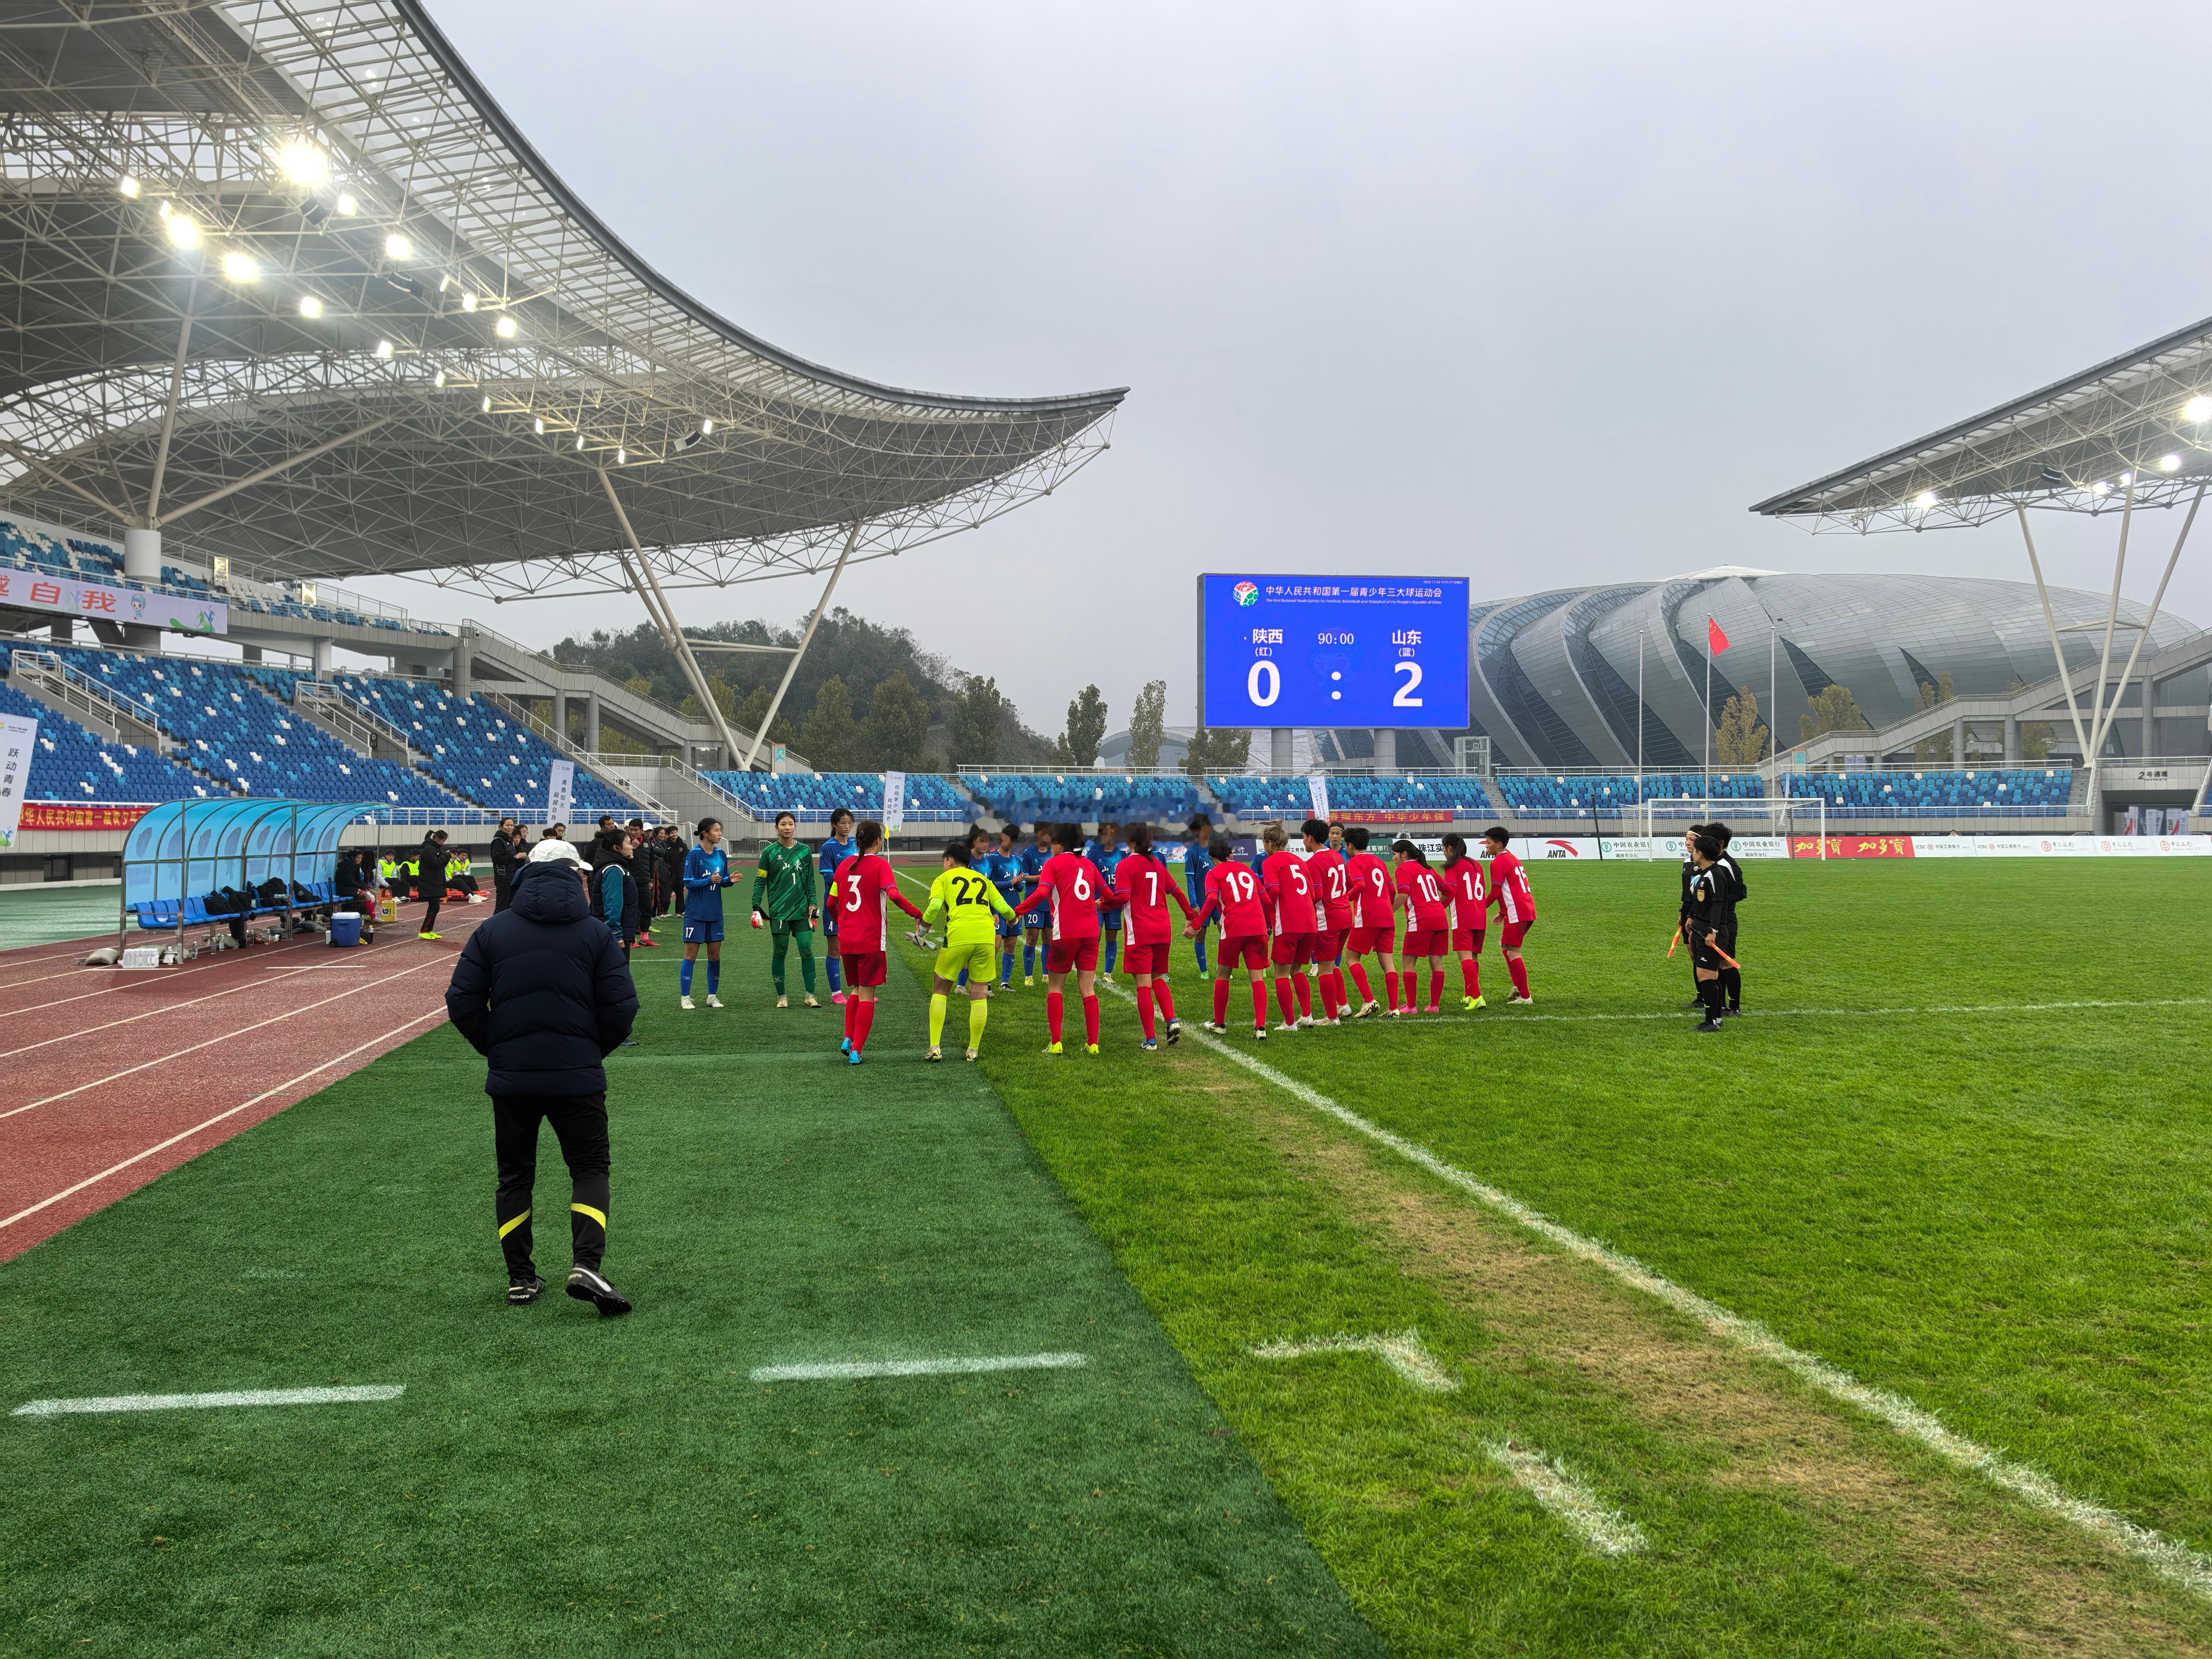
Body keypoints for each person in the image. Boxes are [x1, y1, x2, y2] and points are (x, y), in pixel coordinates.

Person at [444, 838, 638, 1316]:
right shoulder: (594, 934)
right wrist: (591, 1052)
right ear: (575, 876)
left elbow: (462, 1002)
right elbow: (622, 1007)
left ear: (526, 874)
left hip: (513, 1079)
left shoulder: (492, 932)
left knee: (515, 1177)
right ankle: (586, 1264)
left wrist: (497, 1048)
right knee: (590, 1170)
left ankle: (520, 1279)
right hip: (578, 1077)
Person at [1011, 822, 1119, 1055]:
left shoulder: (1053, 863)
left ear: (1060, 845)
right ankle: (1093, 1044)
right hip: (1091, 932)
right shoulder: (1089, 865)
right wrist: (1102, 904)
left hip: (1065, 932)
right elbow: (1110, 896)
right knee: (1088, 989)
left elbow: (1042, 892)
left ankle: (1057, 1043)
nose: (1050, 848)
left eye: (1053, 844)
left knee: (1056, 987)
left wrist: (1017, 912)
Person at [826, 819, 926, 1064]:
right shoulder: (881, 866)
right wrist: (918, 914)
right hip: (870, 940)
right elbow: (893, 894)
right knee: (868, 994)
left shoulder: (844, 866)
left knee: (856, 990)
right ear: (878, 841)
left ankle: (848, 1038)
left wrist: (844, 923)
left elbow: (830, 904)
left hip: (847, 940)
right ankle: (857, 1050)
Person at [921, 837, 1018, 1061]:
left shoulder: (943, 879)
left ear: (950, 861)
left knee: (941, 989)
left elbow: (935, 906)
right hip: (986, 936)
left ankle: (935, 1047)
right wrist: (1012, 921)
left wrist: (923, 930)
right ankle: (973, 1050)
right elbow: (1003, 906)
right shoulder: (982, 879)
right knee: (979, 994)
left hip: (959, 935)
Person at [1108, 822, 1195, 1049]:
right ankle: (1172, 1020)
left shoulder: (1125, 865)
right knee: (1157, 977)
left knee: (1143, 984)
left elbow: (1123, 897)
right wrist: (1189, 915)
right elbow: (1176, 891)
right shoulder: (1156, 863)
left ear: (1131, 841)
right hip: (1162, 929)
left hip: (1141, 931)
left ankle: (1151, 1039)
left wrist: (1103, 904)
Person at [1188, 835, 1272, 1037]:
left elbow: (1210, 900)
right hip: (1257, 928)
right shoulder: (1249, 871)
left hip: (1234, 928)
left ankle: (1220, 1024)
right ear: (1230, 855)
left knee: (1223, 974)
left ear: (1212, 858)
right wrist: (1269, 924)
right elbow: (1267, 900)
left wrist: (1196, 924)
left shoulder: (1214, 873)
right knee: (1257, 977)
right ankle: (1261, 1027)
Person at [750, 809, 822, 1008]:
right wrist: (756, 906)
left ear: (795, 826)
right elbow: (760, 881)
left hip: (801, 911)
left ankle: (810, 995)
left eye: (790, 824)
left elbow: (810, 881)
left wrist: (813, 903)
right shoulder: (769, 853)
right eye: (783, 824)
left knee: (807, 950)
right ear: (777, 828)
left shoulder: (805, 851)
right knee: (780, 952)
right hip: (779, 911)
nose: (787, 827)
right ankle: (782, 996)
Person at [1257, 822, 1319, 1032]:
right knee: (1297, 970)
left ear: (1269, 843)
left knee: (1281, 973)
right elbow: (1312, 894)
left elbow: (1273, 891)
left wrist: (1266, 915)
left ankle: (1290, 1022)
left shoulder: (1271, 862)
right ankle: (1307, 1016)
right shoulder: (1300, 861)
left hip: (1289, 923)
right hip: (1310, 923)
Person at [1300, 818, 1353, 1026]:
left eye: (1304, 837)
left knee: (1324, 968)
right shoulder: (1338, 857)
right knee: (1332, 965)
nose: (1303, 841)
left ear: (1310, 838)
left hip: (1327, 920)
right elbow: (1349, 883)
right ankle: (1343, 1005)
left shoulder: (1313, 862)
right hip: (1344, 916)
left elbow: (1318, 894)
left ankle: (1332, 1017)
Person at [1341, 825, 1397, 1017]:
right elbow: (1391, 890)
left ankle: (1368, 1000)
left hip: (1367, 917)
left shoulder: (1355, 862)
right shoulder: (1379, 862)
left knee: (1352, 958)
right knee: (1388, 963)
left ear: (1349, 845)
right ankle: (1394, 1008)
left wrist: (1345, 899)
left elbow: (1360, 885)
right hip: (1387, 917)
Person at [680, 817, 735, 1010]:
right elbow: (688, 883)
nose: (720, 834)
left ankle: (712, 996)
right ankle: (685, 997)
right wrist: (708, 881)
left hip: (715, 914)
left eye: (720, 830)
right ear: (705, 833)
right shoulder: (694, 855)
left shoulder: (721, 854)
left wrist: (730, 880)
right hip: (696, 913)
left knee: (715, 957)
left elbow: (722, 879)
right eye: (717, 830)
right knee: (690, 957)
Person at [1391, 838, 1447, 1014]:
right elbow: (1449, 891)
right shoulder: (1428, 868)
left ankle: (1411, 1006)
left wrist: (1389, 911)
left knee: (1408, 963)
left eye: (1395, 855)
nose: (1393, 859)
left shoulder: (1403, 869)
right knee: (1437, 964)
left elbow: (1403, 894)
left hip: (1421, 920)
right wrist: (1438, 906)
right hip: (1440, 919)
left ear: (1404, 854)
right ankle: (1434, 1006)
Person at [1484, 825, 1537, 1005]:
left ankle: (1525, 996)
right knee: (1505, 945)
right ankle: (1518, 987)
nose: (1486, 846)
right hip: (1525, 909)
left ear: (1499, 844)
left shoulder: (1498, 862)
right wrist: (1502, 913)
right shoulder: (1513, 859)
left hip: (1518, 912)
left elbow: (1496, 892)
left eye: (1488, 843)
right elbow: (1511, 888)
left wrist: (1479, 907)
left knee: (1513, 952)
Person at [1683, 832, 1730, 1033]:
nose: (1691, 851)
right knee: (1710, 975)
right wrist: (1692, 918)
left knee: (1706, 976)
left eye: (1694, 849)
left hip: (1711, 931)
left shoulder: (1715, 874)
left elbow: (1719, 904)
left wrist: (1713, 930)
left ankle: (1712, 1020)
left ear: (1700, 853)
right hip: (1701, 928)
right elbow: (1702, 902)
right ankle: (1715, 1018)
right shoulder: (1703, 873)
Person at [1439, 832, 1488, 1011]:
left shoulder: (1453, 866)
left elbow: (1450, 891)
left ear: (1450, 848)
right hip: (1480, 916)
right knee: (1473, 957)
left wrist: (1437, 908)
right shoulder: (1476, 864)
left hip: (1464, 917)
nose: (1444, 852)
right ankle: (1469, 993)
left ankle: (1477, 996)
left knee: (1465, 957)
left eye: (1444, 849)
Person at [1704, 820, 1746, 1015]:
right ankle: (1719, 1004)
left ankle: (1734, 1006)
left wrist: (1719, 903)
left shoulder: (1728, 865)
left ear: (1720, 843)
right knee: (1714, 963)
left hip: (1725, 919)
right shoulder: (1710, 863)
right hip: (1710, 919)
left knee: (1726, 962)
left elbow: (1740, 892)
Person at [978, 825, 1025, 991]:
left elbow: (1020, 888)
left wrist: (1019, 882)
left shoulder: (1016, 861)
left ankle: (1005, 983)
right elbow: (987, 884)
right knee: (995, 947)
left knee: (1011, 946)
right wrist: (1009, 883)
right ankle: (987, 982)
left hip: (1013, 908)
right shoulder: (992, 860)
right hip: (997, 909)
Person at [817, 808, 856, 1002]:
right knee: (835, 950)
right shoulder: (828, 848)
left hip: (856, 906)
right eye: (843, 823)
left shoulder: (856, 845)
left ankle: (859, 992)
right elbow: (828, 876)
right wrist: (849, 880)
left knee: (857, 948)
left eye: (850, 822)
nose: (847, 826)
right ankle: (836, 993)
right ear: (834, 825)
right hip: (835, 905)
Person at [1086, 821, 1129, 981]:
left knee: (1112, 937)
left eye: (1110, 832)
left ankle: (1108, 974)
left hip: (1114, 903)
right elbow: (1088, 876)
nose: (1106, 836)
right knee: (1095, 936)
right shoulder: (1094, 853)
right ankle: (1090, 971)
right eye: (1104, 833)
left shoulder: (1122, 855)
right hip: (1096, 903)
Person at [1014, 823, 1052, 986]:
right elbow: (1025, 877)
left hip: (1050, 903)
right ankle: (1028, 976)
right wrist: (1043, 877)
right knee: (1032, 939)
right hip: (1034, 902)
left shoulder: (1053, 853)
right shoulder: (1029, 854)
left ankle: (1046, 974)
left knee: (1049, 939)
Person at [597, 829, 641, 966]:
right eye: (628, 843)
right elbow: (613, 903)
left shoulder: (616, 867)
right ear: (617, 848)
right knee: (616, 977)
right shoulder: (613, 870)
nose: (632, 846)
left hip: (617, 931)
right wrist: (616, 934)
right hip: (613, 934)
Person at [1182, 814, 1216, 980]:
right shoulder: (1192, 853)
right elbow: (1190, 880)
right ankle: (1204, 971)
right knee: (1201, 935)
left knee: (1225, 931)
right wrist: (1194, 903)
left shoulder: (1214, 850)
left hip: (1219, 901)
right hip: (1202, 902)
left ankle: (1223, 967)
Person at [413, 829, 451, 941]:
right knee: (434, 908)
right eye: (443, 840)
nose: (443, 843)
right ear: (437, 839)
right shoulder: (429, 849)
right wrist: (447, 856)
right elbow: (436, 864)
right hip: (430, 883)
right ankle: (424, 931)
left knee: (435, 908)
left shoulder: (432, 849)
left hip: (433, 883)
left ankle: (429, 930)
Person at [489, 817, 521, 912]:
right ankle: (496, 926)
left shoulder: (509, 840)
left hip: (511, 876)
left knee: (509, 905)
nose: (510, 827)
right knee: (502, 905)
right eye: (507, 825)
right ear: (501, 827)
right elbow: (497, 859)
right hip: (503, 878)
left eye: (512, 825)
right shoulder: (498, 841)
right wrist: (515, 857)